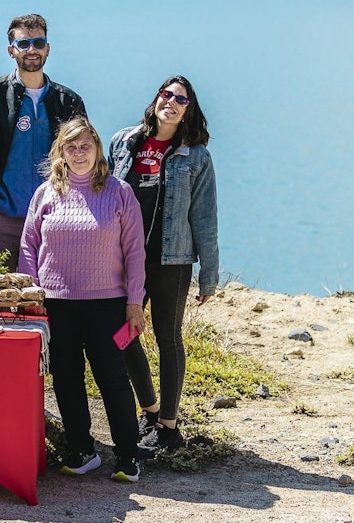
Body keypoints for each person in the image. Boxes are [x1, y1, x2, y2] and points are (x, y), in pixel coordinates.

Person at [20, 118, 145, 483]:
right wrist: (32, 294)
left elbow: (135, 251)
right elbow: (28, 247)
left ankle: (127, 455)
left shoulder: (119, 192)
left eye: (85, 146)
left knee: (113, 378)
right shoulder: (45, 194)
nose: (78, 154)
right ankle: (82, 450)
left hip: (108, 304)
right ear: (61, 151)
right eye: (71, 147)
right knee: (67, 380)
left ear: (98, 150)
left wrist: (134, 302)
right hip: (56, 304)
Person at [108, 75, 219, 452]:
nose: (170, 102)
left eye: (180, 99)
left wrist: (209, 276)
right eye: (166, 94)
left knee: (167, 338)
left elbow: (204, 218)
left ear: (189, 111)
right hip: (125, 260)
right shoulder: (123, 142)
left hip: (171, 260)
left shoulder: (196, 157)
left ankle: (169, 427)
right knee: (122, 335)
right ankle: (150, 410)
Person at [0, 14, 86, 270]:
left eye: (38, 43)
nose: (32, 50)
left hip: (53, 218)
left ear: (48, 49)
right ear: (11, 51)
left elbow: (86, 156)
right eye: (23, 44)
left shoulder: (68, 101)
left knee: (48, 299)